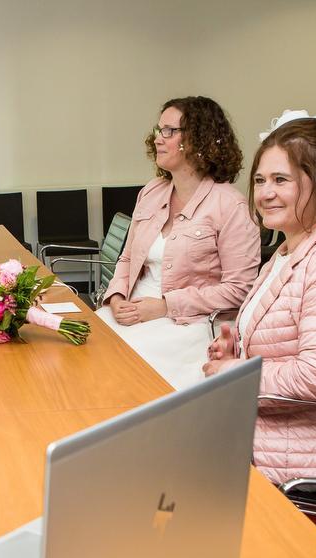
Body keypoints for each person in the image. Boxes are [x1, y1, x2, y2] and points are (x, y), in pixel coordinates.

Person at [203, 114, 316, 485]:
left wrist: (235, 375)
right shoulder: (295, 244)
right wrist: (235, 351)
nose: (265, 193)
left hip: (309, 456)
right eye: (259, 180)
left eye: (280, 180)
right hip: (275, 430)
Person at [98, 96, 260, 389]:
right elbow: (126, 259)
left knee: (121, 378)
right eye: (158, 130)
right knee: (85, 353)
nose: (158, 139)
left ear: (199, 140)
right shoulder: (151, 192)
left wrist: (164, 306)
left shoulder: (231, 206)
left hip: (184, 326)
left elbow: (240, 290)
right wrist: (117, 298)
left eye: (169, 131)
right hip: (130, 313)